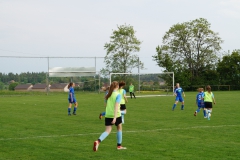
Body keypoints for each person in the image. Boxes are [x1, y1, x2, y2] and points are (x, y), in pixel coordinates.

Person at [93, 81, 126, 151]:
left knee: (107, 131)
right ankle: (119, 146)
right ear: (117, 87)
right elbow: (116, 106)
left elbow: (106, 104)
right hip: (116, 115)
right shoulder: (118, 95)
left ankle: (98, 141)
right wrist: (114, 117)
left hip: (107, 114)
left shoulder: (108, 94)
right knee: (119, 128)